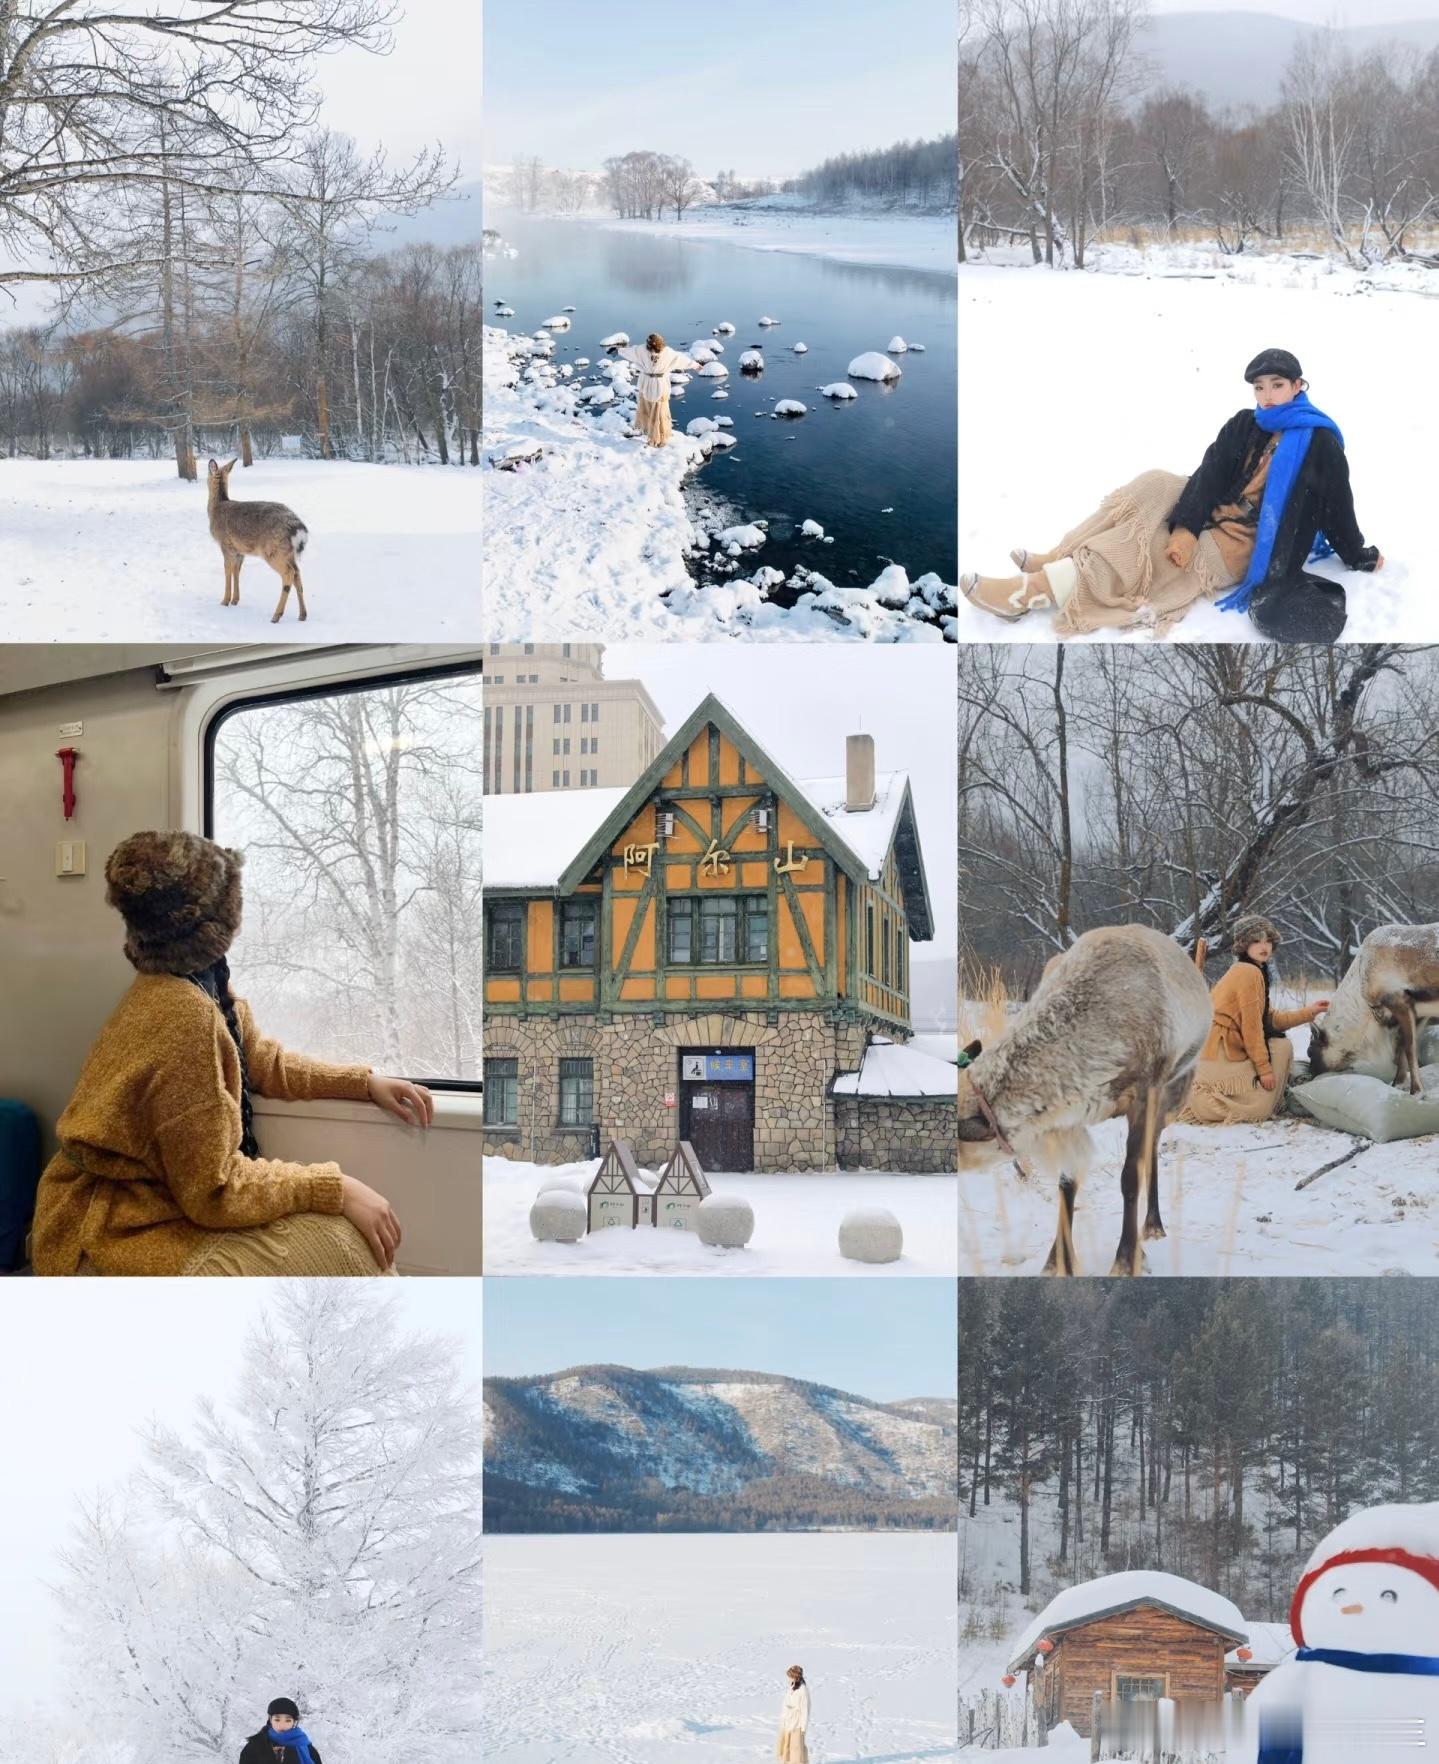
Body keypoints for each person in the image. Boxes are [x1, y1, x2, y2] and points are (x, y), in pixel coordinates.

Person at [31, 830, 433, 1276]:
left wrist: (363, 1083)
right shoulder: (184, 1017)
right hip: (109, 1226)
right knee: (349, 1249)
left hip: (140, 1202)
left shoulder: (204, 987)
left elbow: (262, 1062)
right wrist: (336, 1187)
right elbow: (215, 1190)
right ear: (218, 922)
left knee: (347, 1243)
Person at [961, 348, 1383, 641]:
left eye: (1276, 386)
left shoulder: (1319, 442)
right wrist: (1186, 524)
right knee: (1155, 483)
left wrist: (1358, 554)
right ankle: (1060, 554)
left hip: (1246, 541)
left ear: (1297, 386)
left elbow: (1337, 508)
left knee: (1144, 549)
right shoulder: (1245, 423)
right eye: (1259, 388)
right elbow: (1210, 472)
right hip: (1214, 512)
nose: (1267, 397)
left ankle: (1032, 592)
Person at [1179, 914, 1329, 1127]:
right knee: (1280, 1050)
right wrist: (1264, 1070)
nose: (1264, 946)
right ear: (1243, 945)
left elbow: (1269, 1019)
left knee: (1279, 1045)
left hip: (1215, 1047)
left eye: (1268, 940)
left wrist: (1309, 1012)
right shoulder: (1248, 972)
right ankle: (1215, 1104)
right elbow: (1252, 1028)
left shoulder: (1251, 969)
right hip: (1219, 1049)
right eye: (1256, 940)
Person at [616, 331, 700, 447]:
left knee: (648, 406)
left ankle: (650, 432)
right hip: (659, 385)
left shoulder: (641, 350)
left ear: (648, 344)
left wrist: (617, 350)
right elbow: (681, 360)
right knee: (659, 411)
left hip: (646, 383)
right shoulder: (668, 353)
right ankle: (659, 436)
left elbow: (628, 352)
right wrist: (695, 365)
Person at [239, 1696, 324, 1764]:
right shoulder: (255, 1746)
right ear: (270, 1719)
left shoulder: (306, 1746)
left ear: (294, 1722)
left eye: (288, 1720)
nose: (282, 1725)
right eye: (277, 1720)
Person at [775, 1664, 811, 1763]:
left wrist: (803, 1728)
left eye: (790, 1676)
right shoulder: (792, 1686)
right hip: (788, 1721)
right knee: (787, 1747)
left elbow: (805, 1710)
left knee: (796, 1749)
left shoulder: (803, 1691)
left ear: (795, 1676)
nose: (788, 1678)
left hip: (797, 1724)